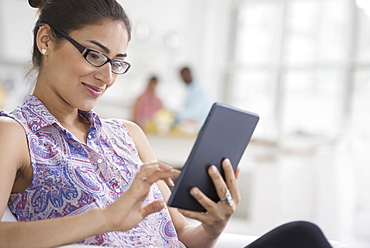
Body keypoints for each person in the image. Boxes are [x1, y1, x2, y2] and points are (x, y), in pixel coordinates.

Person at [0, 0, 334, 248]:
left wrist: (213, 226)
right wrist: (104, 219)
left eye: (117, 63)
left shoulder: (128, 135)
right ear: (45, 40)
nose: (107, 77)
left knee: (303, 236)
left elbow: (186, 235)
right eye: (94, 54)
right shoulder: (15, 135)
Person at [176, 66, 212, 132]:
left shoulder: (199, 90)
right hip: (192, 124)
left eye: (183, 76)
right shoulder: (191, 89)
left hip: (199, 126)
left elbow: (195, 111)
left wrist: (178, 116)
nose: (182, 79)